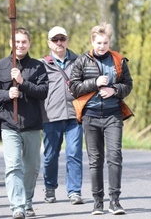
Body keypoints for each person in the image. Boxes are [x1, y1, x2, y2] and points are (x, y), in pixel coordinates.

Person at [69, 23, 133, 215]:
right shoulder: (82, 61)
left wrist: (114, 90)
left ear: (109, 42)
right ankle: (98, 202)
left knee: (114, 157)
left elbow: (128, 85)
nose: (102, 46)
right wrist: (94, 83)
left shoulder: (119, 61)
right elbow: (73, 87)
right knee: (95, 160)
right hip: (91, 116)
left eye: (105, 43)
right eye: (98, 43)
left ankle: (115, 201)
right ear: (92, 42)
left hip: (113, 115)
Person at [0, 27, 49, 219]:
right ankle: (17, 207)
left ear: (29, 44)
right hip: (9, 124)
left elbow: (43, 91)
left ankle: (28, 201)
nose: (20, 45)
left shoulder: (38, 66)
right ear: (11, 43)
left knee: (31, 168)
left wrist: (22, 83)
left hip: (32, 124)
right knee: (13, 166)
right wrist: (7, 94)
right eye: (17, 42)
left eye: (24, 42)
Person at [39, 26, 84, 205]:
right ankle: (50, 188)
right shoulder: (42, 64)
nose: (59, 42)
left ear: (67, 40)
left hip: (75, 114)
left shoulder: (79, 61)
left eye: (62, 39)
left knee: (74, 153)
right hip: (51, 116)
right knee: (51, 155)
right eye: (55, 39)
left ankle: (74, 191)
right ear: (49, 42)